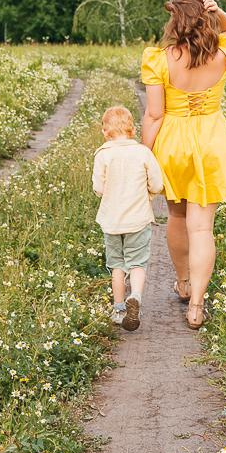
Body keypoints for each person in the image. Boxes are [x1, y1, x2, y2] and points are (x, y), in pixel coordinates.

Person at [140, 0, 226, 330]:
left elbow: (154, 115)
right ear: (204, 18)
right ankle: (197, 306)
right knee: (202, 227)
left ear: (176, 21)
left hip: (174, 144)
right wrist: (217, 10)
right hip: (212, 142)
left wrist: (144, 154)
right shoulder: (221, 54)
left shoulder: (160, 59)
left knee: (176, 215)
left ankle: (184, 283)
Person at [92, 105, 163, 331]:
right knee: (137, 262)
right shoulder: (143, 152)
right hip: (138, 219)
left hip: (112, 221)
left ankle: (119, 309)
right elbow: (157, 184)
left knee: (117, 265)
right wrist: (148, 194)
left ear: (105, 131)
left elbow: (98, 188)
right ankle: (136, 297)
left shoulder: (103, 155)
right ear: (133, 129)